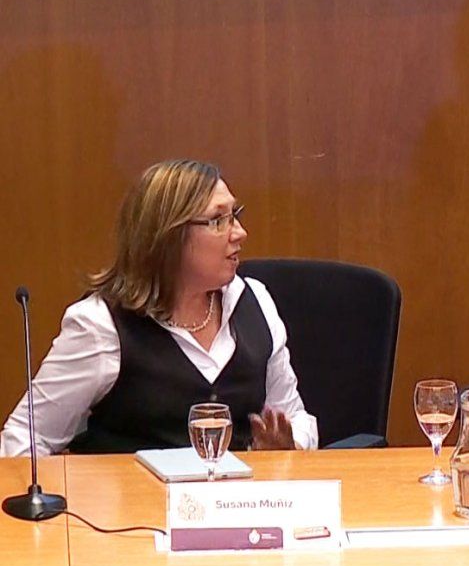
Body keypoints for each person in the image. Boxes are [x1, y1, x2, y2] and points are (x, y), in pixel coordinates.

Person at [0, 159, 317, 455]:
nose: (240, 233)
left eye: (235, 215)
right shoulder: (101, 325)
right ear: (169, 235)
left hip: (238, 497)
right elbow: (26, 438)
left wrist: (288, 447)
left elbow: (298, 418)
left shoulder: (255, 302)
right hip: (132, 497)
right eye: (218, 220)